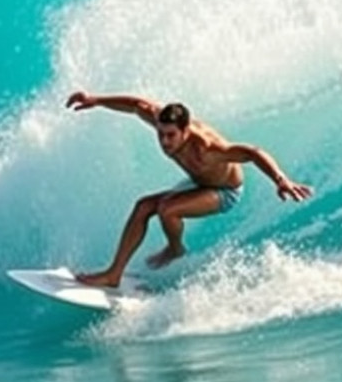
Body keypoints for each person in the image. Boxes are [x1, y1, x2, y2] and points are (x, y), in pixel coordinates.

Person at [66, 91, 313, 288]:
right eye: (161, 135)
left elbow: (252, 153)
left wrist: (281, 180)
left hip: (224, 191)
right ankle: (113, 274)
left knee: (167, 210)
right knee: (143, 207)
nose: (164, 142)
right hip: (197, 183)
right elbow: (135, 105)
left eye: (171, 136)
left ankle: (175, 248)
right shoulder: (162, 121)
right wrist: (95, 100)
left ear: (186, 131)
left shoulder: (206, 149)